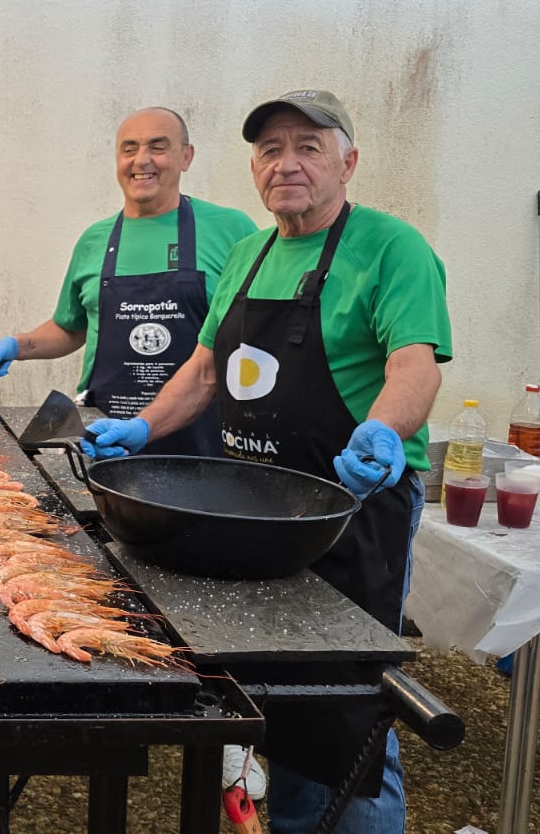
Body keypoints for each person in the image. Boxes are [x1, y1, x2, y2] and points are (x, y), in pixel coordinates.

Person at [84, 89, 451, 831]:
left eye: (308, 148)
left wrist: (382, 431)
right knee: (270, 697)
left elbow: (413, 363)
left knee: (343, 712)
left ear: (348, 162)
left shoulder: (392, 246)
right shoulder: (250, 253)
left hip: (348, 512)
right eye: (270, 150)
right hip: (249, 510)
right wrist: (142, 429)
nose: (287, 164)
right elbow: (205, 371)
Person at [0, 107, 257, 457]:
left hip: (201, 439)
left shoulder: (232, 231)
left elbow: (256, 332)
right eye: (129, 148)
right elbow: (72, 328)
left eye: (158, 147)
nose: (142, 160)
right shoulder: (95, 240)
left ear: (186, 156)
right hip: (104, 439)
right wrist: (18, 345)